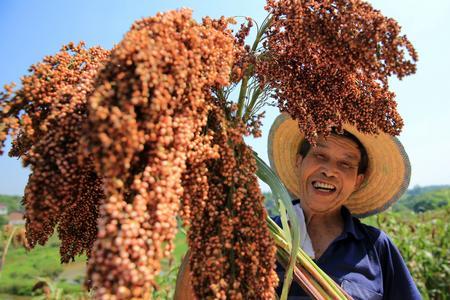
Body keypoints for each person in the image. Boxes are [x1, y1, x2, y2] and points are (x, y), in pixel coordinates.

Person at [268, 113, 421, 299]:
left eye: (345, 164)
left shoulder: (377, 247)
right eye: (320, 155)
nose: (330, 170)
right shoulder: (263, 238)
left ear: (358, 180)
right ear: (299, 162)